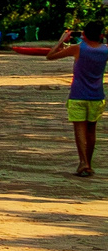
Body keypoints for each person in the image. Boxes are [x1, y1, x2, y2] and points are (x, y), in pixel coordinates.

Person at [44, 20, 108, 177]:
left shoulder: (78, 48)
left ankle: (83, 162)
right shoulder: (105, 51)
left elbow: (50, 56)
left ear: (84, 34)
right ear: (100, 35)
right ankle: (89, 163)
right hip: (97, 95)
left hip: (78, 94)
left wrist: (62, 40)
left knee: (79, 129)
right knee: (91, 130)